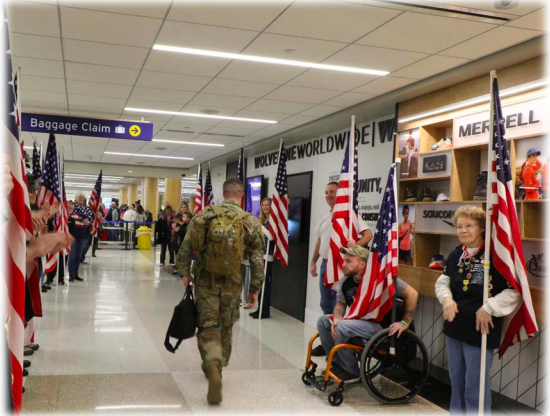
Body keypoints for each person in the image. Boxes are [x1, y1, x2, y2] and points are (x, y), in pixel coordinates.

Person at [176, 178, 265, 405]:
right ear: (241, 195)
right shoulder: (250, 222)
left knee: (208, 325)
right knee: (226, 324)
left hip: (206, 281)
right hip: (233, 283)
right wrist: (254, 289)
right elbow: (257, 261)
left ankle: (212, 363)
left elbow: (185, 248)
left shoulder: (205, 215)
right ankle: (220, 364)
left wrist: (185, 274)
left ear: (223, 193)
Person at [435, 205, 521, 414]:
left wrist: (489, 307)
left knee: (475, 385)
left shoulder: (495, 256)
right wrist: (446, 299)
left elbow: (514, 291)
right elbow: (442, 283)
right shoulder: (456, 254)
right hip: (454, 327)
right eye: (459, 226)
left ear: (481, 227)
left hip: (480, 330)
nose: (463, 230)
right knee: (456, 381)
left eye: (468, 225)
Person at [316, 245, 418, 380]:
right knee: (323, 322)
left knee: (342, 327)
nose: (344, 264)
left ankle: (350, 370)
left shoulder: (380, 278)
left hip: (380, 326)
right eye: (344, 260)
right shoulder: (345, 281)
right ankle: (336, 364)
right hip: (359, 322)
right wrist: (337, 317)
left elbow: (412, 293)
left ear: (363, 264)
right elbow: (340, 303)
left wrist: (405, 322)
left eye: (349, 261)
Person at [310, 182, 373, 356]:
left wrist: (355, 247)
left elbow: (368, 235)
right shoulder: (325, 216)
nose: (328, 195)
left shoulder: (348, 214)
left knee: (336, 304)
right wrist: (313, 261)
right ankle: (327, 342)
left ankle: (340, 343)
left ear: (339, 194)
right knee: (325, 304)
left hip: (340, 265)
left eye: (332, 192)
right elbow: (319, 242)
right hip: (325, 264)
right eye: (326, 192)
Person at [249, 197, 275, 319]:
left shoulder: (273, 222)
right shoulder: (262, 220)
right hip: (259, 254)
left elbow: (271, 237)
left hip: (268, 255)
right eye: (263, 205)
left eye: (267, 205)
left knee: (266, 284)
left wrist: (261, 226)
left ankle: (265, 310)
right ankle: (259, 308)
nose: (265, 207)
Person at [68, 192, 93, 283]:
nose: (81, 199)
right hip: (72, 235)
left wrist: (88, 222)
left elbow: (90, 219)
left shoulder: (86, 209)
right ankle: (71, 275)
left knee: (79, 256)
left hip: (82, 235)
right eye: (80, 197)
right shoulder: (71, 207)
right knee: (72, 256)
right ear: (76, 197)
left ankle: (75, 273)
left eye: (83, 197)